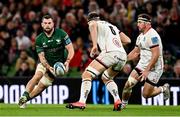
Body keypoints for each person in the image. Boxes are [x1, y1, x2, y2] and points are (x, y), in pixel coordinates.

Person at [66, 11, 131, 111]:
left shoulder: (94, 23)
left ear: (89, 21)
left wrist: (95, 45)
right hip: (122, 55)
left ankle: (81, 102)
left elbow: (92, 25)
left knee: (86, 74)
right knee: (106, 77)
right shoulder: (112, 26)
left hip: (110, 52)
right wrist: (115, 44)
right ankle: (117, 100)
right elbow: (128, 40)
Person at [18, 14, 74, 108]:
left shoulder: (62, 34)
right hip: (45, 63)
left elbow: (71, 49)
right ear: (42, 25)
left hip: (59, 64)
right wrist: (48, 67)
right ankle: (24, 95)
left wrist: (68, 62)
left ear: (53, 24)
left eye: (49, 23)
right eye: (45, 23)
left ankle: (26, 100)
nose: (47, 25)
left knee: (40, 88)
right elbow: (41, 57)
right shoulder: (39, 39)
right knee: (37, 76)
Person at [121, 13, 170, 109]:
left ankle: (163, 88)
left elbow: (156, 55)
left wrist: (147, 70)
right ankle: (123, 105)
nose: (137, 24)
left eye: (140, 22)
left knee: (146, 95)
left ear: (147, 24)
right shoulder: (140, 36)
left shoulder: (152, 36)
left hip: (155, 67)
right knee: (128, 84)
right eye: (137, 22)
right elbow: (135, 52)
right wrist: (122, 60)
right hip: (142, 65)